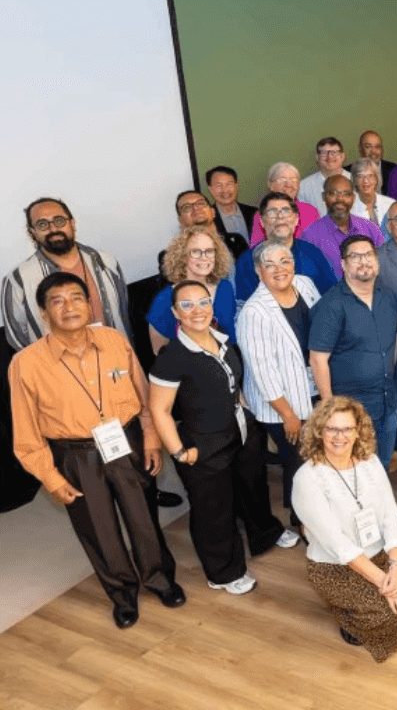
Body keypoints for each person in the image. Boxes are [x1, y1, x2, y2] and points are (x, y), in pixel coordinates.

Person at [9, 272, 185, 629]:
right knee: (98, 529)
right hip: (75, 455)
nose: (69, 307)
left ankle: (159, 580)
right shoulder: (26, 363)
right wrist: (50, 477)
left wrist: (151, 436)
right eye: (57, 301)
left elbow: (142, 392)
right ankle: (122, 595)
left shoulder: (113, 340)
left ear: (89, 303)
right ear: (44, 312)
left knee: (143, 518)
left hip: (126, 440)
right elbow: (25, 432)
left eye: (76, 297)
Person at [148, 280, 294, 596]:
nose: (197, 310)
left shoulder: (223, 340)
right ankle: (223, 572)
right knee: (214, 511)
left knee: (253, 489)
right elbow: (159, 410)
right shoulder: (172, 356)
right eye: (187, 305)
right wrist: (180, 452)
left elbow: (232, 385)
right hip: (203, 445)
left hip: (241, 433)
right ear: (175, 312)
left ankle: (265, 535)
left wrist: (246, 415)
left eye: (203, 302)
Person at [292, 396, 397, 660]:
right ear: (319, 431)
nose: (340, 436)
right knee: (389, 617)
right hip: (334, 567)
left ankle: (366, 606)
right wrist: (384, 582)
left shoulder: (370, 462)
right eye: (332, 429)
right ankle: (344, 613)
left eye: (347, 429)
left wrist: (396, 567)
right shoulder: (307, 478)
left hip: (378, 555)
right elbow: (339, 545)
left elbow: (389, 515)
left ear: (357, 431)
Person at [237, 241, 321, 526]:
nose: (279, 269)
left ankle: (316, 513)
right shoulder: (254, 312)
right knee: (299, 462)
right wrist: (288, 415)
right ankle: (302, 521)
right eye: (269, 264)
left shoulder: (305, 285)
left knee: (312, 457)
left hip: (312, 387)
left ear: (293, 264)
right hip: (281, 402)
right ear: (258, 271)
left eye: (284, 261)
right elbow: (263, 371)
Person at [310, 236, 397, 470]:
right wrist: (330, 408)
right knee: (354, 469)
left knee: (382, 466)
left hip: (387, 402)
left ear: (377, 261)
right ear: (343, 264)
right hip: (351, 411)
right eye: (355, 256)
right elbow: (318, 359)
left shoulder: (388, 296)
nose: (364, 261)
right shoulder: (331, 305)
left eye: (368, 255)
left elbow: (396, 337)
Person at [3, 198, 134, 350]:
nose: (53, 229)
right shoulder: (19, 280)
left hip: (115, 356)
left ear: (72, 223)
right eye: (42, 224)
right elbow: (16, 338)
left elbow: (123, 312)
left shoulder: (105, 261)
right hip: (59, 364)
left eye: (59, 221)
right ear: (33, 232)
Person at [147, 226, 236, 354]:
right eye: (195, 251)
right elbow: (159, 351)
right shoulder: (164, 300)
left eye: (209, 251)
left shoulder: (225, 287)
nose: (204, 257)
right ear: (183, 256)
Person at [234, 192, 337, 301]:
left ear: (296, 220)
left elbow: (332, 294)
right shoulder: (248, 261)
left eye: (286, 211)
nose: (280, 216)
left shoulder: (312, 253)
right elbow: (245, 304)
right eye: (272, 212)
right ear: (262, 221)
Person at [301, 175, 387, 277]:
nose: (340, 199)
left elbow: (383, 267)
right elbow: (308, 278)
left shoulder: (371, 229)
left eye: (346, 194)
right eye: (333, 193)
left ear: (353, 198)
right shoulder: (310, 236)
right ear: (323, 196)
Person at [248, 162, 321, 246]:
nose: (288, 184)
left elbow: (319, 245)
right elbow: (257, 248)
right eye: (282, 180)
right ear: (271, 185)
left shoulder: (311, 211)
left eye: (293, 180)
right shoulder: (263, 214)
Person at [297, 137, 351, 211]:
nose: (329, 156)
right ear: (317, 157)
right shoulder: (303, 187)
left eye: (334, 152)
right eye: (324, 153)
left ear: (342, 156)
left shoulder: (355, 181)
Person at [206, 165, 256, 245]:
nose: (225, 190)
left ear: (236, 186)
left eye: (229, 184)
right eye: (219, 186)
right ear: (210, 189)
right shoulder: (207, 220)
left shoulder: (255, 213)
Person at [348, 159, 395, 229]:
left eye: (370, 176)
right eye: (360, 176)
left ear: (376, 179)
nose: (365, 181)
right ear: (354, 180)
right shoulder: (349, 208)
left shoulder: (390, 204)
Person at [356, 130, 397, 194]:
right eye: (368, 146)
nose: (373, 151)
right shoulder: (348, 172)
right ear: (360, 149)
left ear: (382, 150)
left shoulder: (395, 170)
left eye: (377, 147)